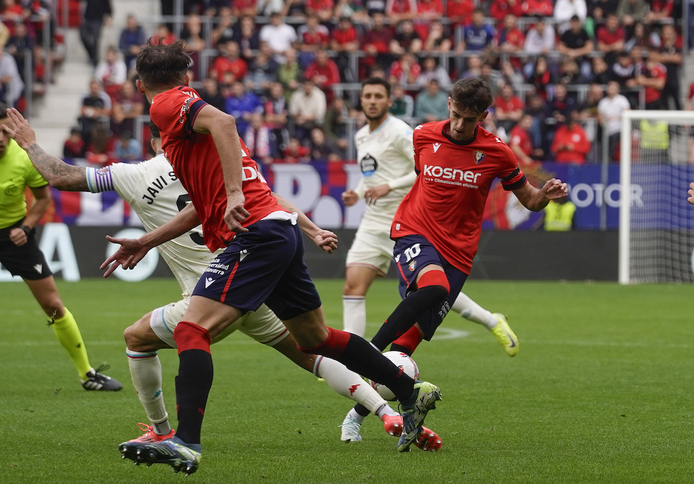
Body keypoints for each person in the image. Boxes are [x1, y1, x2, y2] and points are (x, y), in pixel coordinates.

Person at [4, 114, 441, 452]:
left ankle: (166, 434)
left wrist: (30, 143)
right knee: (314, 345)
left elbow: (62, 177)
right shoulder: (209, 165)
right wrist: (309, 229)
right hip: (256, 279)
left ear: (156, 140)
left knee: (137, 338)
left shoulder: (135, 173)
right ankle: (390, 410)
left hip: (213, 290)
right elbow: (263, 200)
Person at [104, 40, 443, 472]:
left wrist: (230, 195)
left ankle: (185, 440)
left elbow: (224, 122)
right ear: (187, 76)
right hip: (277, 229)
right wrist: (149, 240)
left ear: (140, 85)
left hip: (255, 234)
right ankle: (411, 394)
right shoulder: (187, 118)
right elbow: (200, 203)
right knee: (314, 339)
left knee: (192, 328)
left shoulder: (166, 105)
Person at [350, 76, 566, 442]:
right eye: (457, 115)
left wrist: (545, 194)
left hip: (460, 252)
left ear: (484, 115)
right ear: (449, 104)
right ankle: (368, 348)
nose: (460, 125)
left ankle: (364, 418)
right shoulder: (423, 136)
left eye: (471, 119)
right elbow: (420, 180)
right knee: (433, 287)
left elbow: (529, 200)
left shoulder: (497, 152)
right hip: (414, 230)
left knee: (404, 349)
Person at [0, 104, 121, 391]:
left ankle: (87, 374)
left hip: (15, 234)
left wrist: (27, 227)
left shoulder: (25, 159)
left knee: (53, 306)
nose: (2, 138)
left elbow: (42, 200)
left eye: (6, 131)